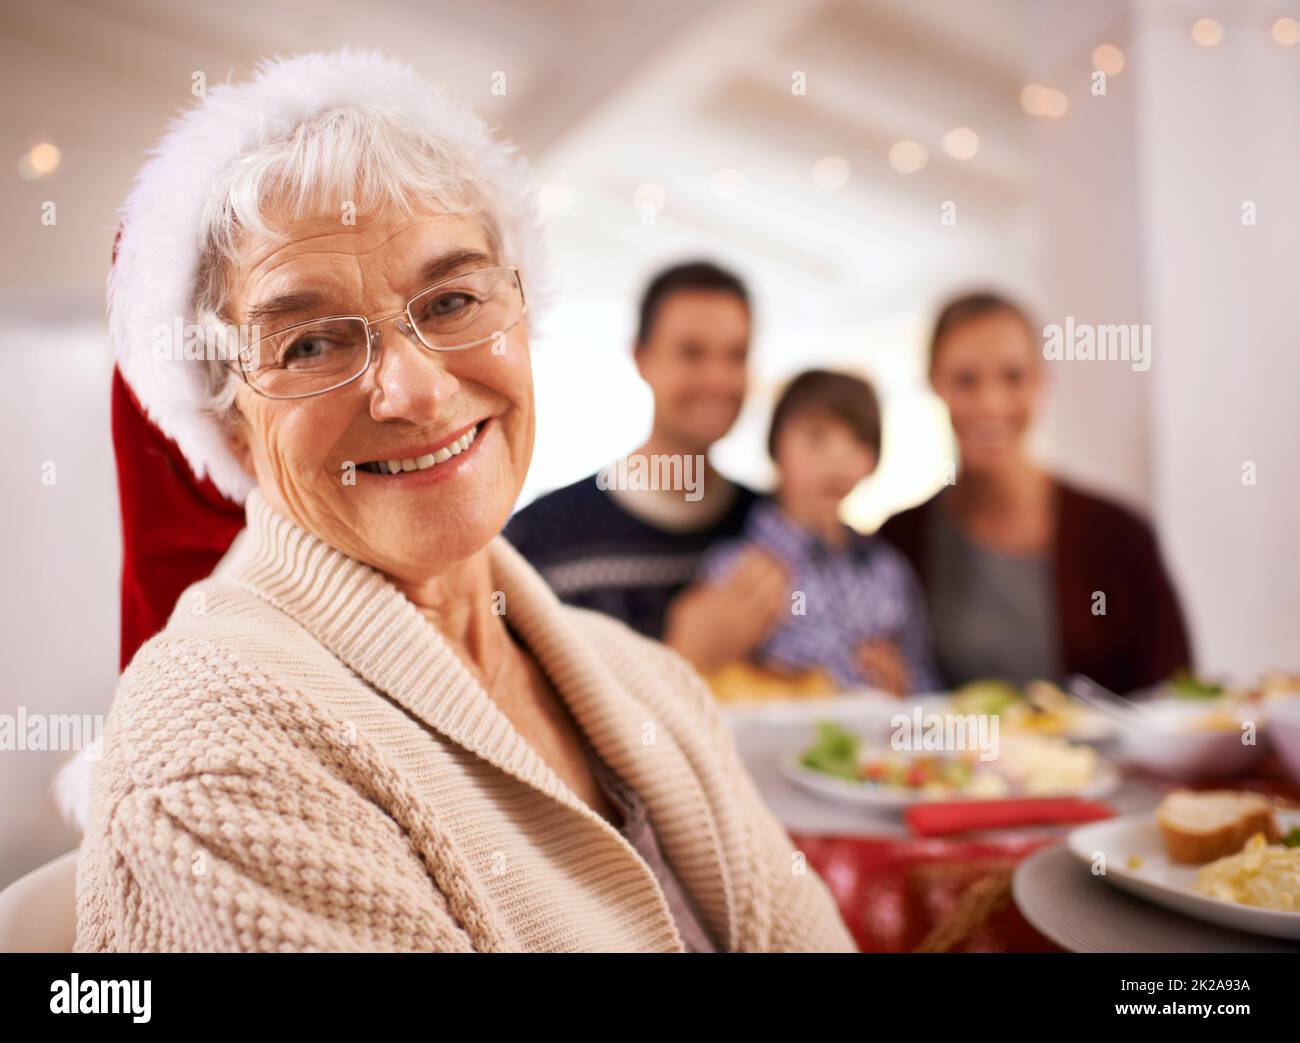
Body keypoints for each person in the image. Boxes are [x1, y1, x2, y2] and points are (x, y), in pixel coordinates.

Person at [75, 51, 855, 954]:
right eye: (312, 343)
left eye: (450, 300)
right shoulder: (210, 753)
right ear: (231, 425)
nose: (416, 390)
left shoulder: (648, 683)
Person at [878, 291, 1192, 694]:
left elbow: (1177, 698)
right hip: (955, 758)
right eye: (965, 380)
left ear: (1043, 381)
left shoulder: (1119, 534)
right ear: (934, 383)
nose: (990, 402)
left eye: (1013, 377)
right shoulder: (899, 541)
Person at [504, 261, 790, 662]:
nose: (717, 379)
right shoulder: (540, 539)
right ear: (641, 357)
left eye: (735, 355)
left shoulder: (775, 528)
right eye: (692, 353)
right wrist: (684, 658)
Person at [695, 370, 939, 695]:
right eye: (816, 438)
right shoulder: (735, 569)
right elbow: (704, 684)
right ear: (776, 446)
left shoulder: (887, 573)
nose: (839, 460)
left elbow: (926, 688)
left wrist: (903, 688)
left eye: (859, 441)